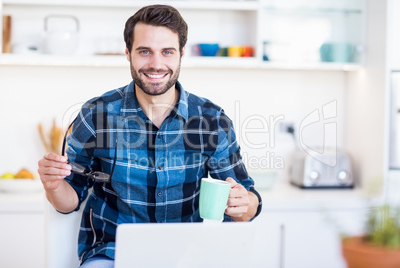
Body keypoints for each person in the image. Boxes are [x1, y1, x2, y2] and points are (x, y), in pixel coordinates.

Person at [38, 4, 262, 267]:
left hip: (191, 256)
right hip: (113, 254)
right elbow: (69, 201)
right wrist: (53, 186)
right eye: (145, 51)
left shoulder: (211, 120)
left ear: (181, 54)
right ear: (128, 53)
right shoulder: (95, 115)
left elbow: (249, 203)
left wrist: (242, 203)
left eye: (167, 52)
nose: (156, 64)